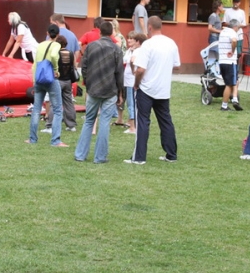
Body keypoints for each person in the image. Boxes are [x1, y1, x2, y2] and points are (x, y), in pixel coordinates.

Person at [125, 16, 181, 165]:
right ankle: (171, 154)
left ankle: (139, 157)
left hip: (147, 88)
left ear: (149, 27)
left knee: (143, 121)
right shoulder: (171, 43)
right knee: (166, 121)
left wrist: (136, 84)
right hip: (163, 89)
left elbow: (140, 69)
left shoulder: (148, 45)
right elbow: (176, 65)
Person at [75, 21, 124, 163]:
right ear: (111, 33)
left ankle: (80, 154)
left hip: (93, 89)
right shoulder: (116, 49)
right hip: (110, 90)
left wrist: (88, 84)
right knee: (104, 122)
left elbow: (83, 67)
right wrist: (120, 92)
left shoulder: (90, 47)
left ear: (100, 32)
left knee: (89, 120)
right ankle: (100, 157)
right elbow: (119, 73)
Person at [27, 24, 68, 147]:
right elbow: (55, 56)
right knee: (57, 110)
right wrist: (56, 69)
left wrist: (34, 80)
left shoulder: (40, 45)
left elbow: (34, 64)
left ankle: (32, 138)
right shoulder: (56, 45)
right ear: (58, 34)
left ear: (47, 33)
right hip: (51, 79)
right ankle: (55, 140)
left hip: (39, 79)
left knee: (36, 110)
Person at [43, 35, 78, 133]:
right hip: (68, 81)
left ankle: (50, 125)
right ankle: (71, 125)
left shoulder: (55, 54)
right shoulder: (71, 53)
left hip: (57, 80)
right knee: (69, 102)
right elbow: (74, 66)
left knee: (54, 103)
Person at [123, 31, 147, 135]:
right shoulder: (134, 50)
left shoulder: (137, 51)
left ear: (138, 41)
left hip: (130, 80)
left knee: (131, 103)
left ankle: (132, 127)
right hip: (130, 79)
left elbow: (132, 61)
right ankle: (133, 123)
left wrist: (133, 70)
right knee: (133, 102)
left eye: (133, 39)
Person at [218, 19, 243, 111]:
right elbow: (234, 41)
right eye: (238, 28)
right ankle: (224, 106)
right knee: (229, 84)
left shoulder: (223, 32)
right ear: (235, 27)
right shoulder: (232, 32)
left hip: (222, 61)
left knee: (234, 81)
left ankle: (235, 99)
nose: (238, 30)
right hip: (230, 61)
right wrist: (232, 51)